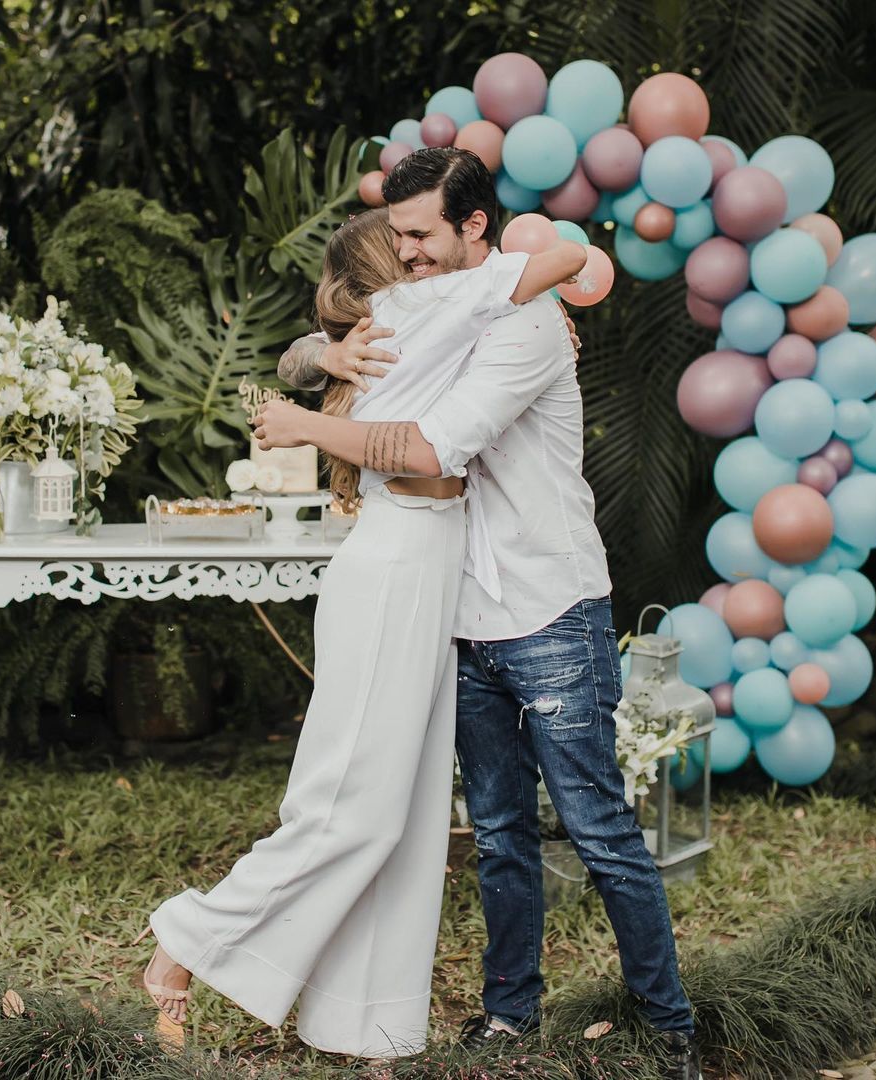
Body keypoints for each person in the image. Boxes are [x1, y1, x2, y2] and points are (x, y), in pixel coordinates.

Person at [262, 146, 702, 1080]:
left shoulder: (526, 325)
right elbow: (306, 346)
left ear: (474, 227)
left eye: (422, 234)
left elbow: (431, 446)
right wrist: (326, 353)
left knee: (598, 829)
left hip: (549, 609)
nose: (407, 253)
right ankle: (510, 1016)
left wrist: (306, 423)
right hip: (457, 613)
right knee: (499, 834)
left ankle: (668, 1028)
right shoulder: (434, 309)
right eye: (398, 236)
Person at [142, 205, 586, 1059]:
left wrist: (322, 356)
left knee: (410, 819)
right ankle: (185, 943)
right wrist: (324, 361)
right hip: (394, 570)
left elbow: (298, 355)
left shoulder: (436, 318)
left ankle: (366, 1022)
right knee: (353, 809)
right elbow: (560, 261)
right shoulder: (413, 318)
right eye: (408, 246)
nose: (425, 254)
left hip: (431, 571)